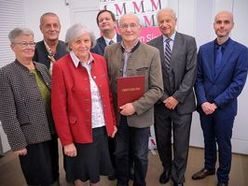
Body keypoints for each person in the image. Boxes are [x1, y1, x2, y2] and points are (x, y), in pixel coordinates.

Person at [51, 23, 117, 186]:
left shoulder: (100, 61)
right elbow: (58, 108)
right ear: (69, 44)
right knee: (80, 173)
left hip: (100, 126)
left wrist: (112, 122)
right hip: (77, 131)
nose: (83, 45)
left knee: (95, 171)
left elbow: (107, 96)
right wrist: (66, 141)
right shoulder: (61, 66)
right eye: (77, 41)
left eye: (86, 41)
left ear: (91, 42)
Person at [104, 13, 163, 186]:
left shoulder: (152, 53)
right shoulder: (109, 51)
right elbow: (106, 83)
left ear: (139, 28)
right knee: (120, 154)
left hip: (141, 115)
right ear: (118, 29)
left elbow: (157, 89)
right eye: (124, 26)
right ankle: (122, 183)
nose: (128, 29)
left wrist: (135, 106)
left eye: (132, 25)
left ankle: (139, 183)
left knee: (140, 155)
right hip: (118, 115)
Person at [192, 11, 248, 186]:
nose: (221, 25)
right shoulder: (204, 49)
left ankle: (223, 178)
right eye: (218, 22)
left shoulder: (241, 51)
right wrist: (203, 102)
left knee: (223, 143)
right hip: (204, 105)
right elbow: (198, 78)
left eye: (226, 22)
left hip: (225, 108)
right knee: (208, 139)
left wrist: (215, 104)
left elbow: (237, 84)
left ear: (232, 25)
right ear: (214, 25)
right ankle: (208, 167)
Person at [0, 27, 59, 186]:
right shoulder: (6, 74)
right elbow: (7, 113)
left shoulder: (42, 67)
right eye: (24, 43)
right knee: (38, 175)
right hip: (30, 136)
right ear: (13, 47)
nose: (29, 47)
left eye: (31, 43)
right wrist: (17, 142)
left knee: (53, 169)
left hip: (50, 130)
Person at [148, 8, 197, 186]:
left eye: (168, 20)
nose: (164, 24)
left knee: (181, 144)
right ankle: (166, 168)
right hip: (161, 104)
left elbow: (191, 72)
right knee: (162, 141)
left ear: (175, 21)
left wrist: (176, 97)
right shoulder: (152, 45)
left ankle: (178, 176)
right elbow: (151, 76)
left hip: (182, 104)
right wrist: (164, 97)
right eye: (161, 21)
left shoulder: (189, 42)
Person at [91, 9, 122, 180]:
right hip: (103, 97)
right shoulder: (94, 45)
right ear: (98, 25)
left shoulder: (125, 40)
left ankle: (126, 166)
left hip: (124, 95)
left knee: (125, 134)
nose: (104, 22)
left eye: (107, 19)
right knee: (110, 134)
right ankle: (112, 168)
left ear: (114, 22)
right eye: (101, 20)